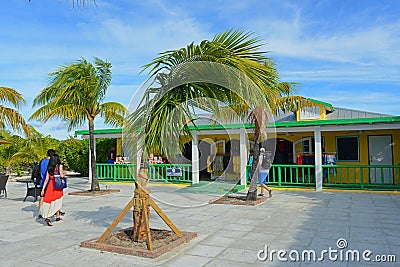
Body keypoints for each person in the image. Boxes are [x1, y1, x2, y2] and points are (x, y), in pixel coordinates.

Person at [40, 154, 65, 226]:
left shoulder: (49, 167)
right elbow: (61, 175)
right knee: (57, 201)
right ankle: (48, 218)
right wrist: (64, 173)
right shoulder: (59, 166)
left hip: (50, 185)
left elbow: (46, 179)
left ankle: (57, 216)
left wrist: (43, 189)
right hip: (57, 186)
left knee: (52, 201)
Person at [37, 149, 55, 218]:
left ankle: (40, 212)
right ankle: (54, 212)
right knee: (53, 198)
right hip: (49, 182)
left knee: (42, 197)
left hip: (42, 181)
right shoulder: (51, 162)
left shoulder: (42, 161)